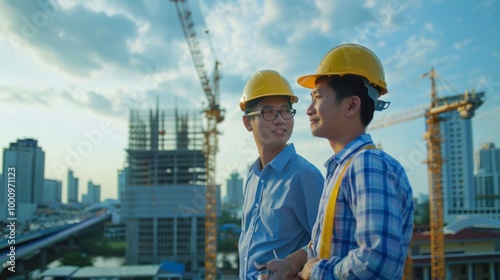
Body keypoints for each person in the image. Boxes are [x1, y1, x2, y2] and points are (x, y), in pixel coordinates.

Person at [266, 44, 414, 279]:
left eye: (318, 97)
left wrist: (315, 271)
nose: (308, 109)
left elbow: (377, 262)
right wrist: (294, 263)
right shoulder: (343, 168)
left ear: (352, 105)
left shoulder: (368, 165)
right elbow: (334, 244)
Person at [238, 69, 324, 279]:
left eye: (286, 111)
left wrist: (295, 268)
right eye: (269, 112)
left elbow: (329, 244)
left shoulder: (304, 176)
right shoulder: (252, 176)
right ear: (248, 122)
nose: (280, 120)